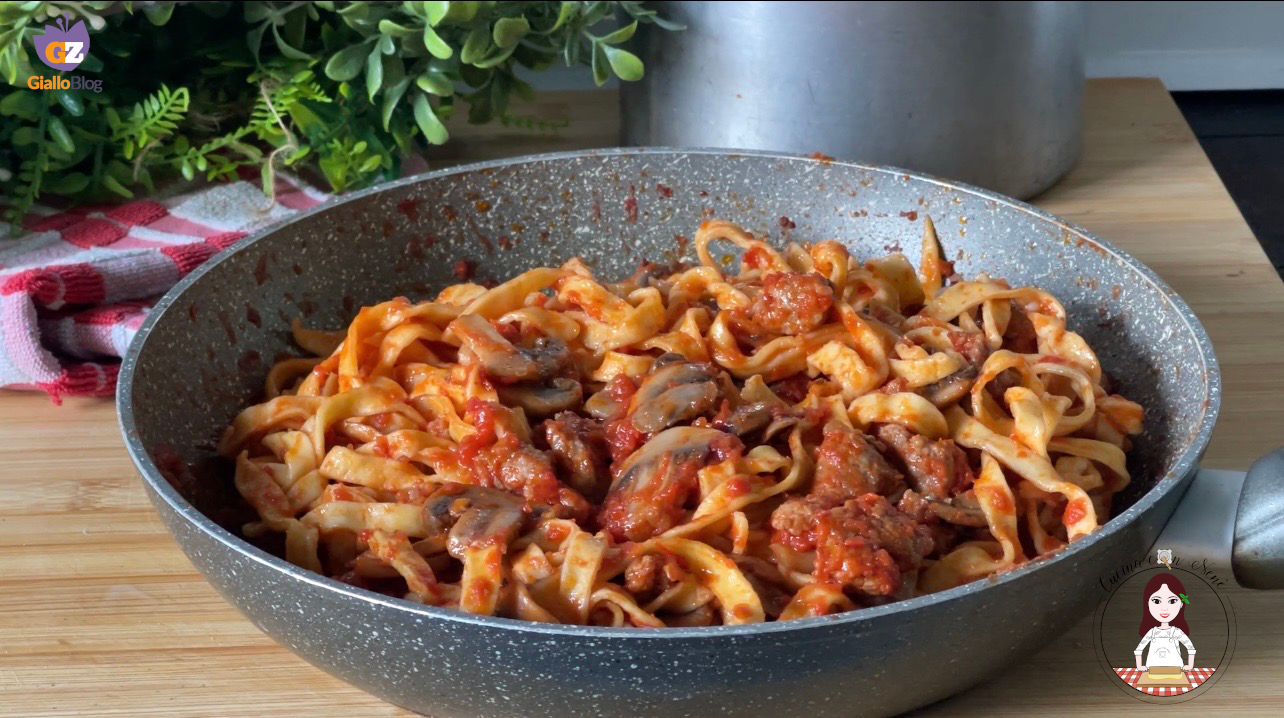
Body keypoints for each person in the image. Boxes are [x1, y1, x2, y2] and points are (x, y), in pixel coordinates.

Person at [1134, 572, 1196, 672]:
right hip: (1152, 670)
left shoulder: (1176, 632)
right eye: (1157, 601)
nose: (1164, 608)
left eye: (1172, 601)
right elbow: (1139, 649)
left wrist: (1189, 665)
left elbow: (1191, 648)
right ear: (1148, 604)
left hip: (1175, 670)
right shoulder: (1152, 632)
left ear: (1181, 604)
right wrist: (1140, 666)